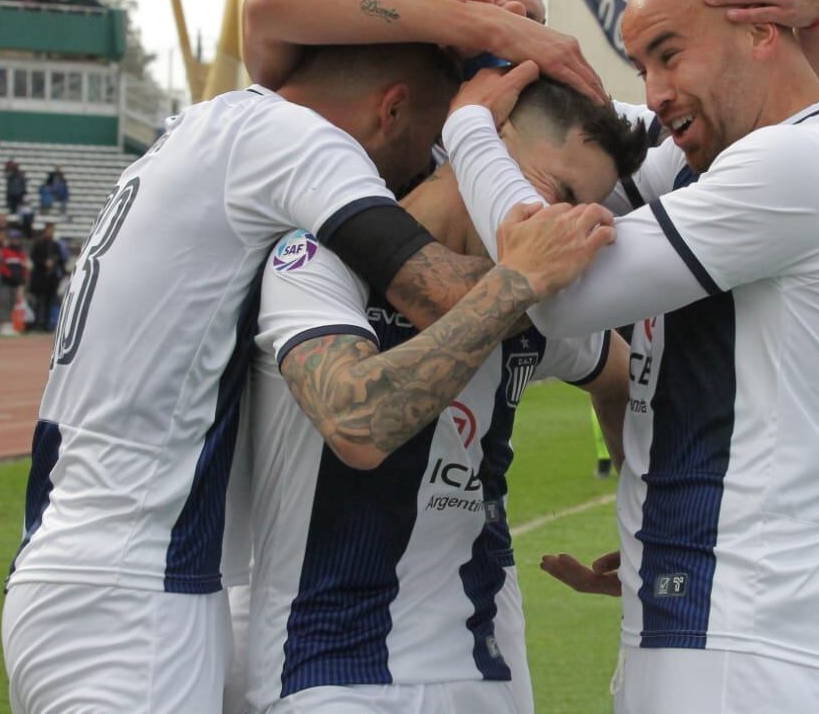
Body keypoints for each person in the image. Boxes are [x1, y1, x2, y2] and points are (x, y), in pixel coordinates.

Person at [0, 0, 612, 712]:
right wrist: (552, 263)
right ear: (393, 110)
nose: (417, 170)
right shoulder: (301, 141)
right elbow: (433, 293)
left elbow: (267, 11)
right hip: (134, 585)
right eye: (428, 144)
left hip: (96, 564)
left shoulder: (214, 123)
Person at [441, 0, 819, 713]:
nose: (652, 92)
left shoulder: (797, 165)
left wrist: (467, 126)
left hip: (740, 639)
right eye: (639, 65)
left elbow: (552, 291)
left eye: (667, 54)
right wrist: (503, 37)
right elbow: (585, 131)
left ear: (759, 32)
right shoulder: (719, 157)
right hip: (703, 625)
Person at [242, 77, 641, 714]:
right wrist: (516, 282)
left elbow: (625, 381)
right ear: (488, 144)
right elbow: (357, 421)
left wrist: (639, 517)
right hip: (330, 671)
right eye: (558, 192)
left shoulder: (540, 305)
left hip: (484, 674)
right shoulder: (319, 259)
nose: (560, 224)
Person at [27, 223, 63, 332]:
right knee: (38, 302)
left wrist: (55, 263)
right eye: (49, 230)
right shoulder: (38, 244)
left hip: (51, 280)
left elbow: (60, 259)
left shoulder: (55, 245)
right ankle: (37, 324)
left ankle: (46, 324)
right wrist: (44, 263)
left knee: (49, 302)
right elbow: (33, 257)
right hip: (40, 278)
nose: (50, 233)